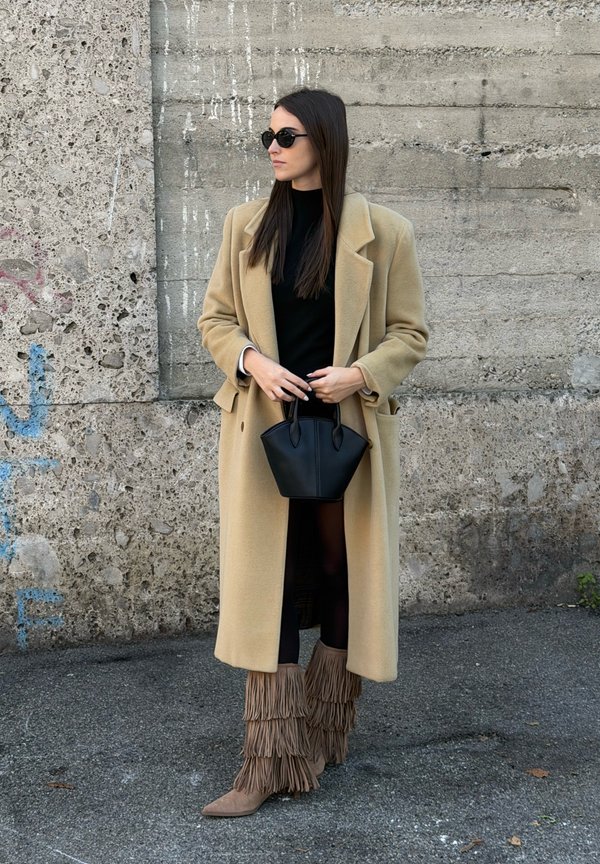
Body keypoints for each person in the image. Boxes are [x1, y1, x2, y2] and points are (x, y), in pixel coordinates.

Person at [197, 87, 428, 818]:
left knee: (337, 572)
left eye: (287, 136)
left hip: (344, 432)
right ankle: (266, 762)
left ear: (324, 140)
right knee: (270, 584)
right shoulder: (245, 225)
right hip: (266, 431)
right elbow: (216, 319)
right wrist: (252, 363)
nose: (272, 147)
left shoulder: (384, 233)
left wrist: (361, 374)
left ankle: (325, 732)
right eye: (267, 136)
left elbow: (410, 334)